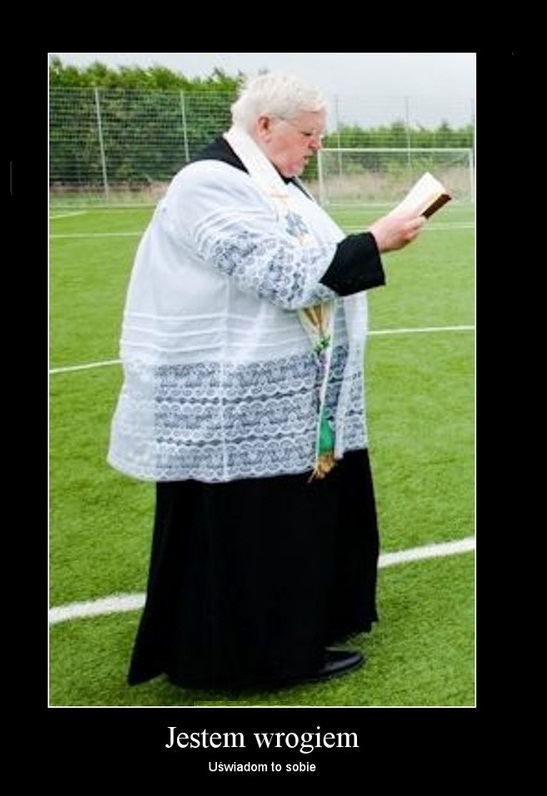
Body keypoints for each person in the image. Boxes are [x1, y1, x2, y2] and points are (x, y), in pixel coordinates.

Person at [107, 71, 425, 692]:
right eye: (308, 135)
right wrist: (376, 241)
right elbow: (283, 277)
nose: (316, 147)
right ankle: (259, 658)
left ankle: (304, 628)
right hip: (234, 398)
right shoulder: (207, 183)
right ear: (263, 126)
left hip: (289, 390)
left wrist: (369, 242)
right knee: (253, 530)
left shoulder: (275, 184)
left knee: (290, 521)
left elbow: (310, 256)